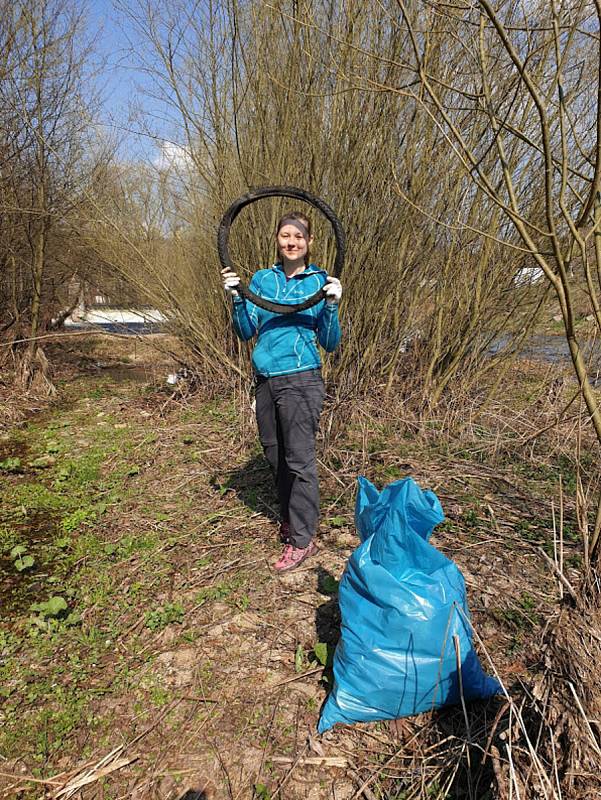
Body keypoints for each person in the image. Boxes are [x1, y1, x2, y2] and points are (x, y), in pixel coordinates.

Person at [221, 211, 342, 572]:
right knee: (275, 456)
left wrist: (332, 305)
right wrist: (237, 298)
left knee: (299, 461)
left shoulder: (319, 282)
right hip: (266, 379)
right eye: (286, 235)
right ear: (277, 238)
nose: (292, 241)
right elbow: (245, 332)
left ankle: (302, 540)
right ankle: (294, 518)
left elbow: (330, 341)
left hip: (302, 379)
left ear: (309, 242)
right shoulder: (262, 280)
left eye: (299, 236)